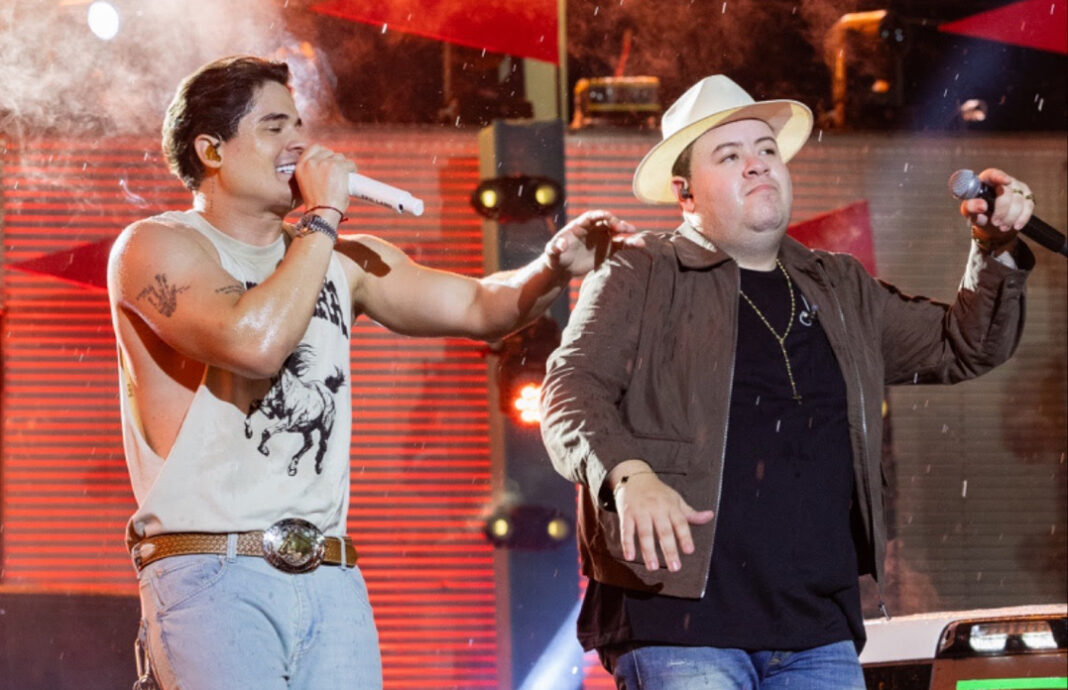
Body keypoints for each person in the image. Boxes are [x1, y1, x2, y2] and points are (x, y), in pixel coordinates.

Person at [106, 55, 633, 690]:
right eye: (274, 127)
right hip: (213, 569)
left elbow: (480, 306)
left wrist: (552, 265)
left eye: (299, 125)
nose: (299, 144)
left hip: (330, 573)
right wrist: (323, 217)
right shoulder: (157, 246)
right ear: (211, 149)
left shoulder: (341, 260)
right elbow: (254, 343)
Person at [539, 74, 1036, 689]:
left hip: (816, 630)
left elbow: (964, 345)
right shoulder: (639, 271)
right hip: (679, 625)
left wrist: (994, 246)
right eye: (729, 156)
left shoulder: (839, 285)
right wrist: (627, 474)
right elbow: (569, 390)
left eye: (766, 149)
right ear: (685, 193)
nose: (756, 164)